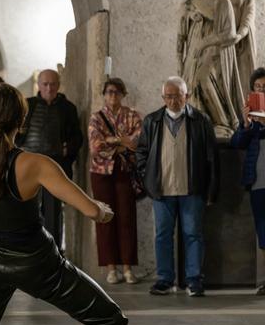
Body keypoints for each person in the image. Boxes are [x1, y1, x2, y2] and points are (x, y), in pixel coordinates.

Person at [0, 83, 128, 325]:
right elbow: (92, 211)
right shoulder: (37, 164)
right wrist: (103, 211)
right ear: (22, 121)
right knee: (110, 320)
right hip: (37, 264)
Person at [136, 76, 219, 297]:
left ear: (187, 96)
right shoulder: (152, 121)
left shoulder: (201, 120)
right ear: (163, 97)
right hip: (161, 191)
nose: (173, 101)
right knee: (163, 235)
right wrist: (147, 179)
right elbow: (141, 153)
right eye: (169, 96)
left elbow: (212, 158)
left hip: (192, 189)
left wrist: (211, 190)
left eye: (178, 96)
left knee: (193, 234)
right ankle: (165, 280)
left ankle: (194, 280)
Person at [16, 69, 83, 247]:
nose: (49, 88)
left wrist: (67, 149)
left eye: (53, 84)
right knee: (26, 211)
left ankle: (53, 253)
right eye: (45, 84)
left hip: (55, 168)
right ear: (38, 85)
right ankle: (29, 251)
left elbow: (77, 137)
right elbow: (16, 133)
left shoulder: (68, 108)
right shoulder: (27, 105)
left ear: (58, 85)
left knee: (53, 213)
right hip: (28, 167)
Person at [178, 0, 242, 138]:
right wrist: (179, 62)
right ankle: (199, 122)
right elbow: (181, 34)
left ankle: (221, 122)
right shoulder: (191, 3)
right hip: (194, 53)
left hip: (216, 53)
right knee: (191, 84)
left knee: (203, 77)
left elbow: (230, 34)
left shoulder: (223, 3)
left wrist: (206, 42)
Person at [88, 78, 141, 285]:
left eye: (117, 92)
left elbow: (137, 141)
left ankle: (127, 267)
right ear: (104, 94)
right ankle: (111, 268)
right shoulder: (96, 117)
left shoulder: (132, 115)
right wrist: (121, 141)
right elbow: (95, 146)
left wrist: (111, 141)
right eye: (109, 92)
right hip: (101, 173)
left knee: (127, 218)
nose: (113, 95)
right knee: (105, 218)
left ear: (123, 94)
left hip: (124, 171)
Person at [230, 67, 265, 296]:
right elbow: (236, 144)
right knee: (263, 231)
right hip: (259, 183)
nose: (261, 90)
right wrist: (246, 123)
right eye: (257, 87)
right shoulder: (252, 120)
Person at [211, 0, 256, 96]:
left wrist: (240, 35)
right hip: (217, 44)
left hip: (240, 44)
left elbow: (249, 14)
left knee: (241, 86)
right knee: (218, 87)